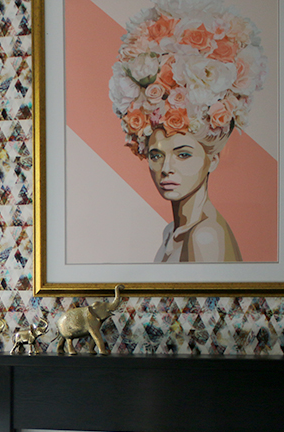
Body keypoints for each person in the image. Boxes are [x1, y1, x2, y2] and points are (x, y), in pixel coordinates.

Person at [109, 0, 267, 263]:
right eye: (156, 155)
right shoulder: (173, 231)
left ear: (212, 160)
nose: (166, 168)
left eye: (183, 155)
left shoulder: (206, 236)